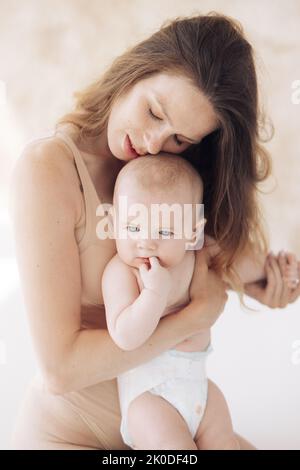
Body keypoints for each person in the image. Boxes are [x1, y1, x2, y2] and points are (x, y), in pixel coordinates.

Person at [9, 13, 300, 449]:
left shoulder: (168, 175)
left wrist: (268, 281)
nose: (152, 142)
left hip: (177, 425)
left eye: (180, 138)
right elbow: (59, 370)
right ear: (136, 71)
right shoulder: (48, 169)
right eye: (153, 112)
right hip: (71, 435)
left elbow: (213, 258)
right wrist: (193, 318)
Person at [102, 153, 298, 450]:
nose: (146, 241)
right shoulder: (122, 272)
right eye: (133, 227)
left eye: (164, 231)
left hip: (201, 392)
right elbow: (125, 336)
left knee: (226, 442)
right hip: (150, 400)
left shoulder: (196, 256)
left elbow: (238, 262)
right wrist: (153, 296)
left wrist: (274, 269)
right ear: (115, 223)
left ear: (192, 233)